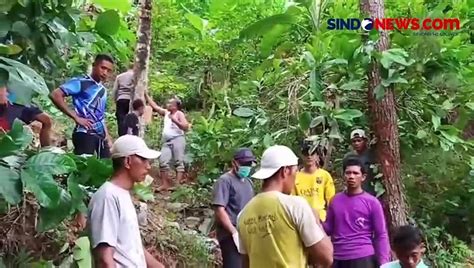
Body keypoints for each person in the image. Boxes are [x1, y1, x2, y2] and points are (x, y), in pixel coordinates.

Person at [237, 145, 333, 268]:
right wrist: (317, 223)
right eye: (295, 171)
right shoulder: (295, 206)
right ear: (285, 171)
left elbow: (246, 263)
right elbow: (326, 258)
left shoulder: (243, 214)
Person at [88, 134, 164, 268]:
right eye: (143, 160)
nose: (148, 166)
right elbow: (105, 259)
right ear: (127, 162)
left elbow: (130, 247)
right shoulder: (108, 196)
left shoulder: (122, 194)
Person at [323, 157, 390, 268]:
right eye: (348, 173)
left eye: (355, 173)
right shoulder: (335, 200)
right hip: (338, 258)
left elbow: (381, 234)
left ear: (363, 177)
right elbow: (328, 229)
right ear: (344, 175)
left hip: (363, 257)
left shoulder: (372, 202)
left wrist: (384, 262)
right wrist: (313, 219)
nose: (351, 176)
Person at [50, 54, 115, 159]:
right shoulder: (81, 82)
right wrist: (76, 117)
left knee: (105, 168)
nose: (105, 72)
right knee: (84, 168)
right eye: (103, 68)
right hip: (84, 133)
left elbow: (100, 116)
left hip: (100, 135)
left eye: (108, 70)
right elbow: (55, 95)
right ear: (94, 66)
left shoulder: (102, 89)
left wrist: (107, 136)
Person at [212, 148, 256, 268]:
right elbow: (219, 209)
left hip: (247, 233)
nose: (246, 167)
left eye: (248, 164)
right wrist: (233, 232)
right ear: (234, 163)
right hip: (230, 235)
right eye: (243, 164)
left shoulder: (248, 182)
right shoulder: (225, 181)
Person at [145, 93, 190, 191]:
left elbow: (186, 127)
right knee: (163, 161)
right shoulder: (166, 113)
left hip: (178, 138)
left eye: (170, 104)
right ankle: (165, 184)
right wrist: (146, 94)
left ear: (175, 106)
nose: (167, 105)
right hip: (167, 141)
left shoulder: (179, 114)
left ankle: (177, 186)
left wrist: (175, 121)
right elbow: (155, 107)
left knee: (179, 161)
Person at [292, 139, 335, 222]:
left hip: (321, 218)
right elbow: (292, 201)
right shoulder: (295, 177)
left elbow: (331, 201)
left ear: (317, 155)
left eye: (312, 153)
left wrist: (330, 220)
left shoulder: (324, 175)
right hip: (302, 219)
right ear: (301, 155)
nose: (309, 156)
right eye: (306, 153)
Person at [343, 129, 376, 195]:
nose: (356, 143)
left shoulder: (372, 155)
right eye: (354, 141)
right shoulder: (348, 157)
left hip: (370, 191)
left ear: (365, 141)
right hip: (354, 192)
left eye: (359, 140)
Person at [112, 64, 134, 136]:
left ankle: (122, 136)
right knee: (130, 119)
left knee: (121, 119)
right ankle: (130, 136)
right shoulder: (135, 76)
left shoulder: (119, 76)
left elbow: (115, 90)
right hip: (131, 100)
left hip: (121, 99)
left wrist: (115, 101)